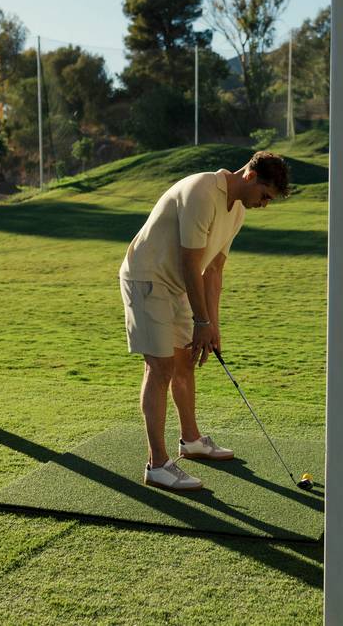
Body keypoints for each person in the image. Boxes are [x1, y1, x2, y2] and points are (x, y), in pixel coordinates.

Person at [119, 151, 291, 491]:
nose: (264, 204)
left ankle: (191, 440)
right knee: (160, 367)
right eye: (265, 196)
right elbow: (189, 262)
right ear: (250, 177)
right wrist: (200, 320)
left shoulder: (237, 210)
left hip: (178, 285)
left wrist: (212, 325)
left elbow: (213, 270)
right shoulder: (201, 191)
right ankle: (157, 464)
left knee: (185, 361)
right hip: (147, 278)